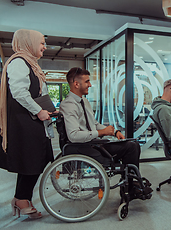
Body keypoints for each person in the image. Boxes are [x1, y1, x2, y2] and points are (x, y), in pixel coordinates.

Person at [59, 67, 152, 198]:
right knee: (131, 147)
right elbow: (74, 136)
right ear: (76, 84)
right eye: (87, 81)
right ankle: (130, 188)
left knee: (132, 143)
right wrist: (101, 133)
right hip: (84, 147)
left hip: (92, 142)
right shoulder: (69, 105)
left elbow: (94, 124)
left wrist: (114, 132)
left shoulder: (83, 101)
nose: (90, 85)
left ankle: (130, 184)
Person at [0, 29, 55, 219]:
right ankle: (22, 199)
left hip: (30, 120)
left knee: (32, 161)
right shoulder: (19, 62)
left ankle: (21, 197)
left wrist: (47, 109)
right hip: (24, 122)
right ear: (28, 42)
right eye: (41, 43)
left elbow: (36, 93)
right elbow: (19, 92)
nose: (44, 47)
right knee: (32, 160)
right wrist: (39, 111)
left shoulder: (30, 64)